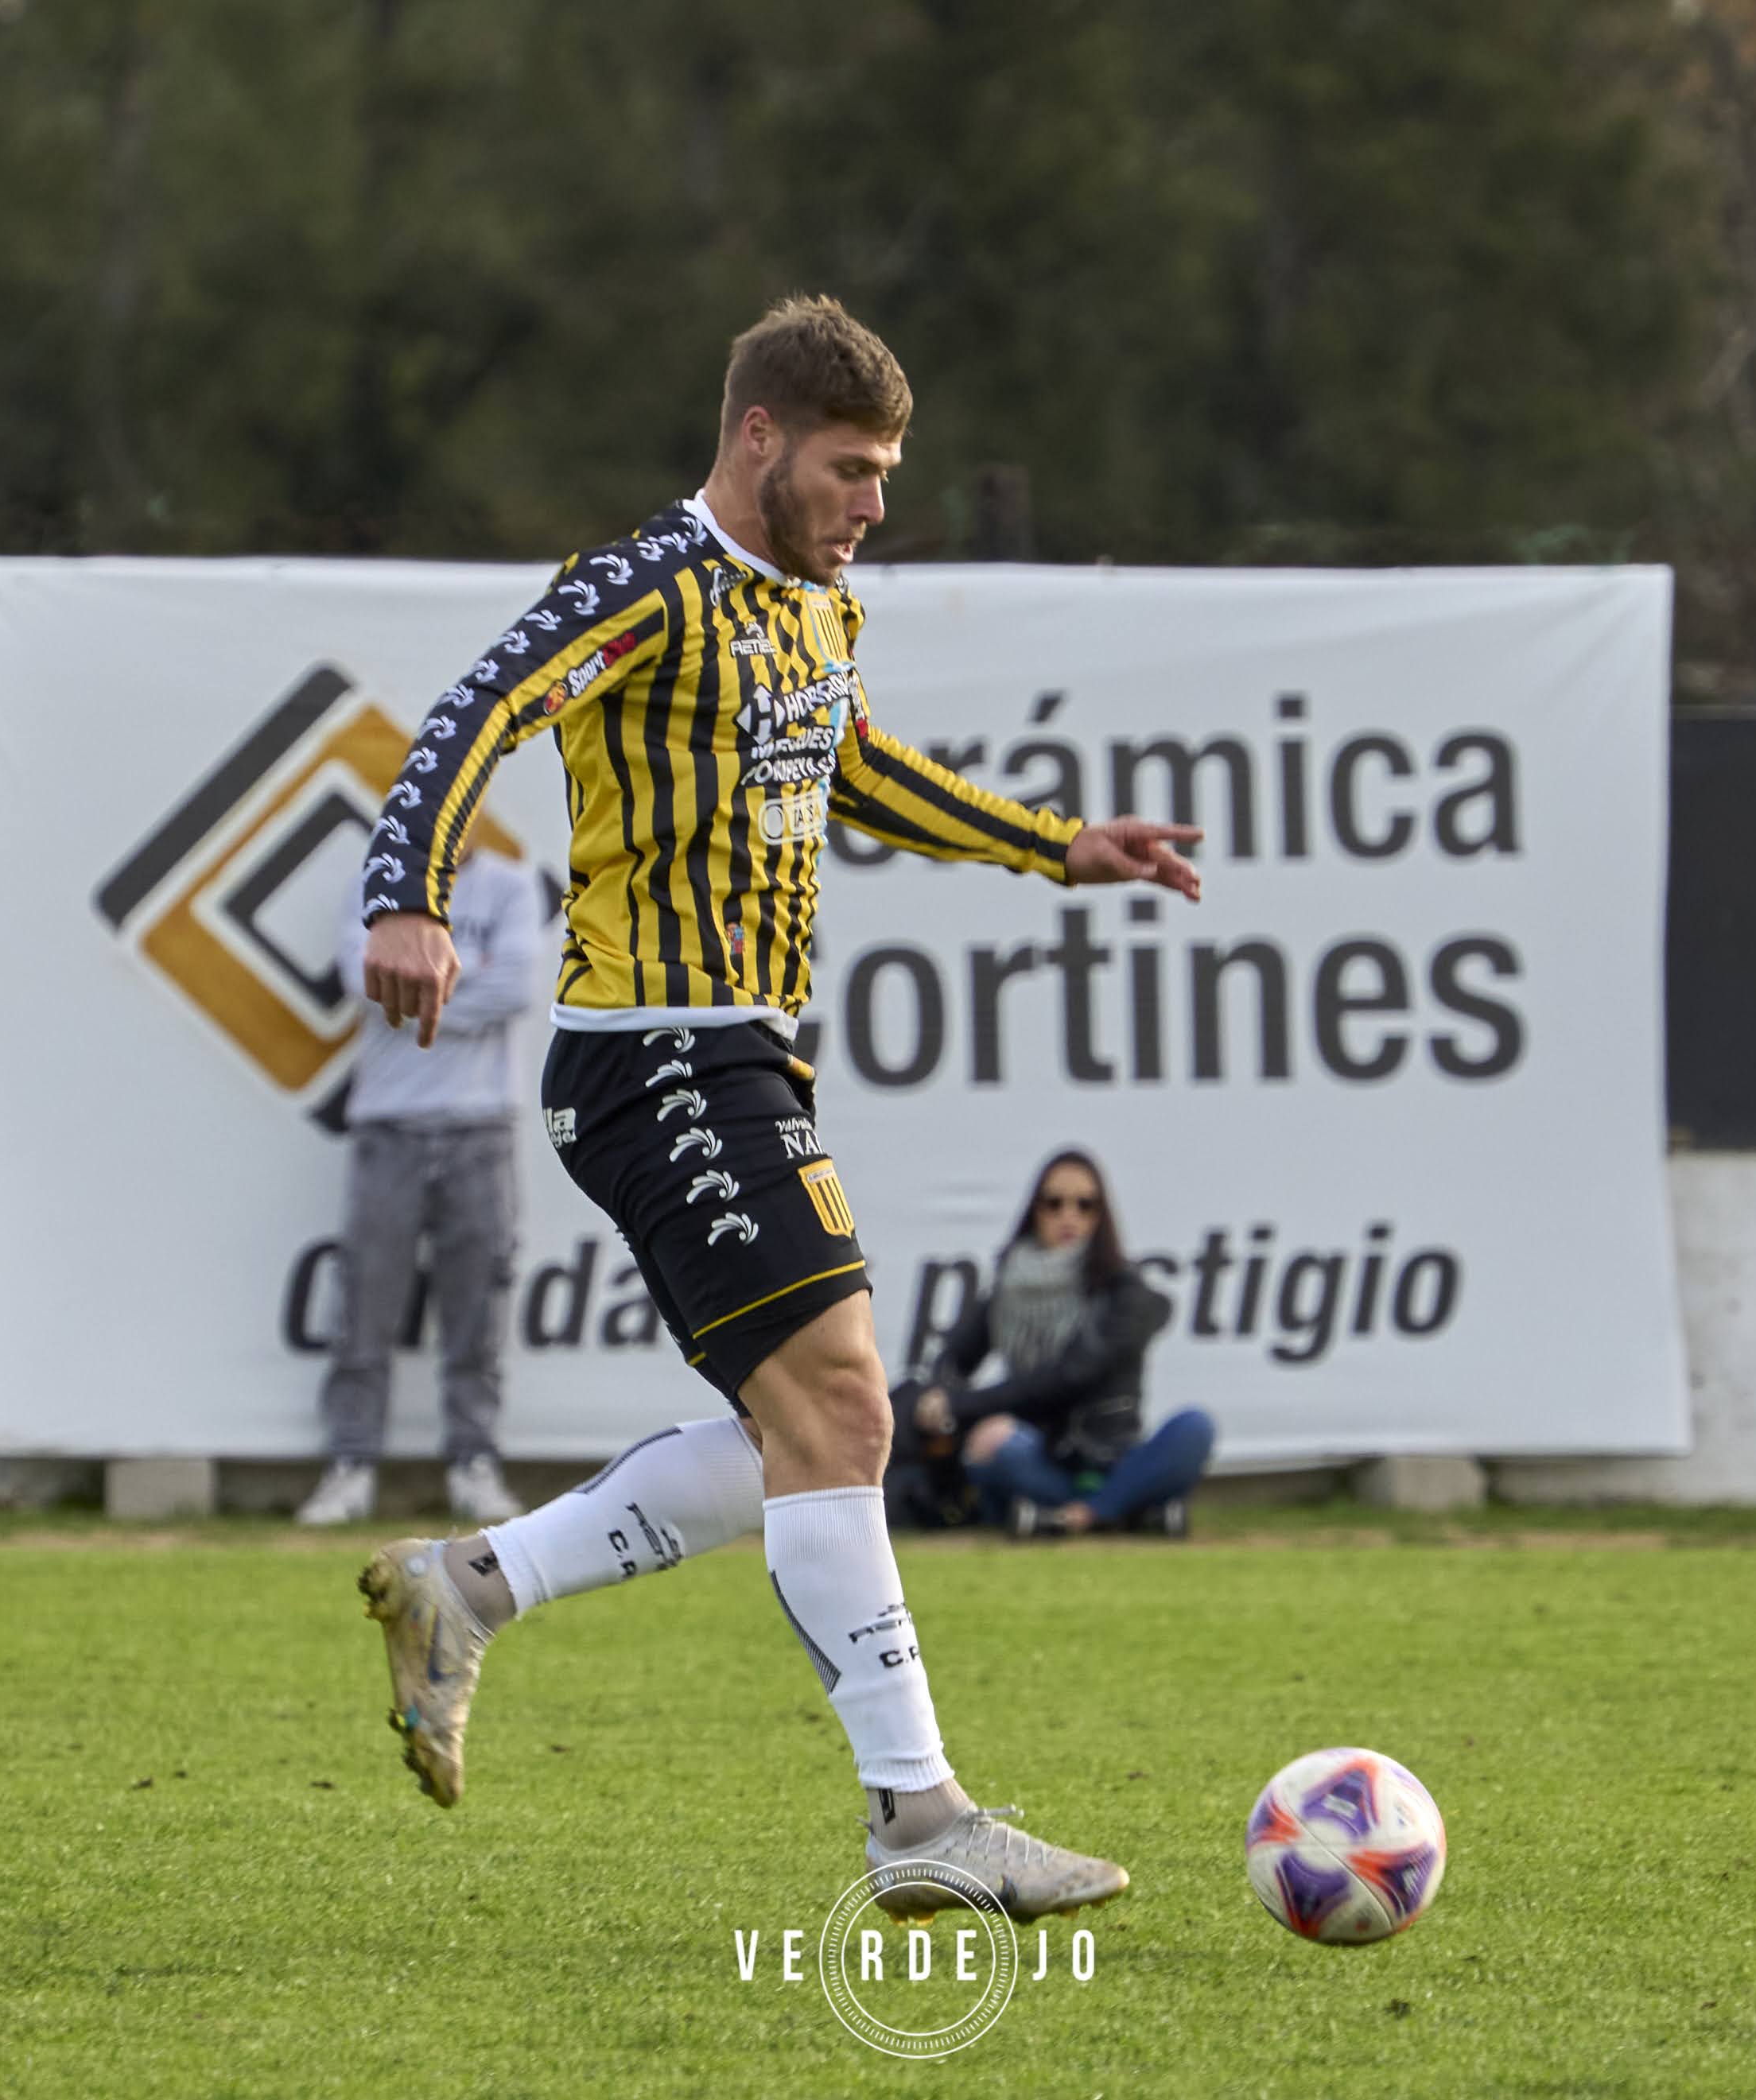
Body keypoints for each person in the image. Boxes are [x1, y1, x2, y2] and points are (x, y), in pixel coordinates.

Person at [350, 293, 1202, 1924]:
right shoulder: (643, 587)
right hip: (656, 1052)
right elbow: (475, 714)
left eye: (884, 474)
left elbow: (849, 765)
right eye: (852, 469)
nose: (874, 506)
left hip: (742, 1052)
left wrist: (1057, 843)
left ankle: (471, 1588)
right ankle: (918, 1819)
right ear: (757, 440)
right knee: (850, 1419)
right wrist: (408, 892)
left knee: (797, 1440)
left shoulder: (812, 608)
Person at [295, 813, 542, 1531]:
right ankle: (350, 1462)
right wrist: (464, 986)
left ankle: (474, 1461)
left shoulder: (510, 886)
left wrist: (419, 990)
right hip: (389, 1123)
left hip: (481, 1124)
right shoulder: (375, 887)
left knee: (478, 1303)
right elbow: (363, 983)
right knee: (366, 1298)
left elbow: (519, 989)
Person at [904, 1150, 1214, 1539]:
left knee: (1194, 1428)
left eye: (1085, 1205)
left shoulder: (1126, 1294)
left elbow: (1068, 1377)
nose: (1068, 1215)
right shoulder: (1010, 1287)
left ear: (1101, 1215)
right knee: (996, 1447)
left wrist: (963, 1406)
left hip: (1107, 1456)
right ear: (1035, 1210)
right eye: (1054, 1203)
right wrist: (939, 1398)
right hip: (1043, 1455)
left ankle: (1077, 1517)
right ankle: (1129, 1513)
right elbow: (955, 1357)